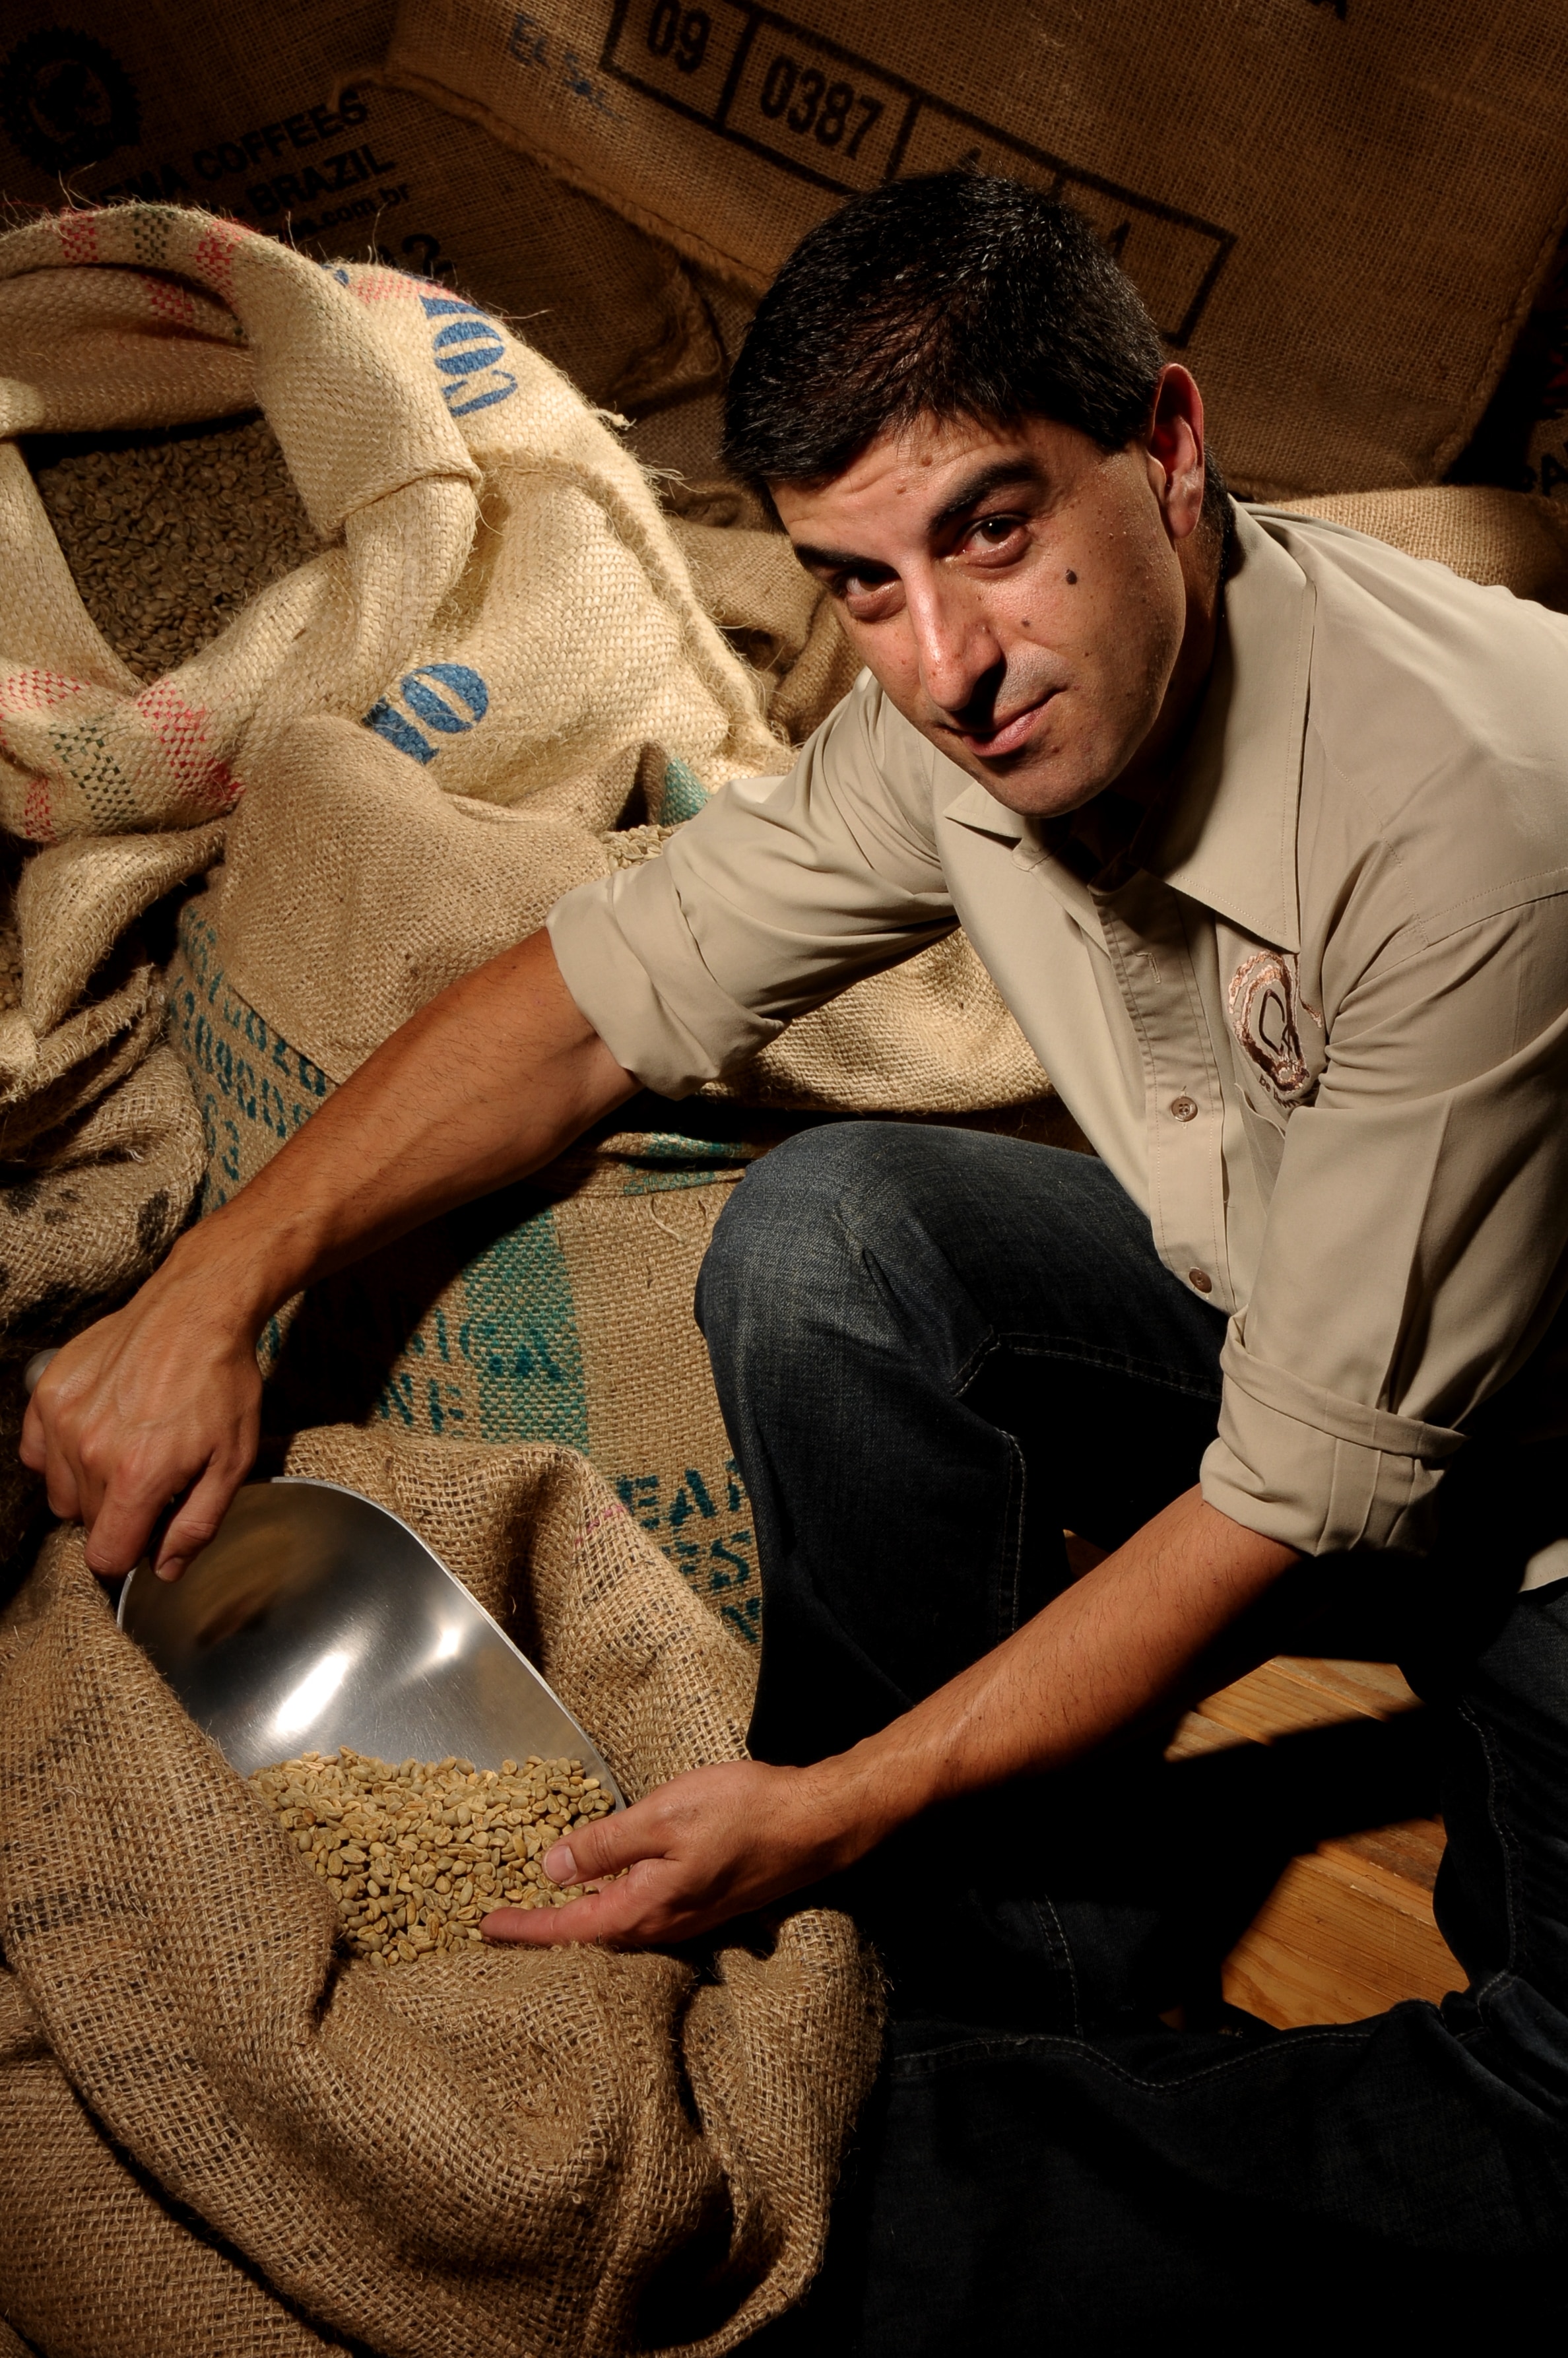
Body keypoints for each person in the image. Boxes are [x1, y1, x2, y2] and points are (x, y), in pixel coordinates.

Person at [24, 175, 1568, 2337]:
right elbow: (586, 1000)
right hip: (1318, 1328)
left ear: (1175, 444)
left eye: (997, 528)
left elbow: (1278, 1514)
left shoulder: (1482, 815)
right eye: (862, 580)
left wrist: (817, 1814)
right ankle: (986, 1984)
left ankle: (862, 2188)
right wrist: (208, 1294)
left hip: (1534, 1481)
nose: (947, 663)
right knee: (836, 1241)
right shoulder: (953, 720)